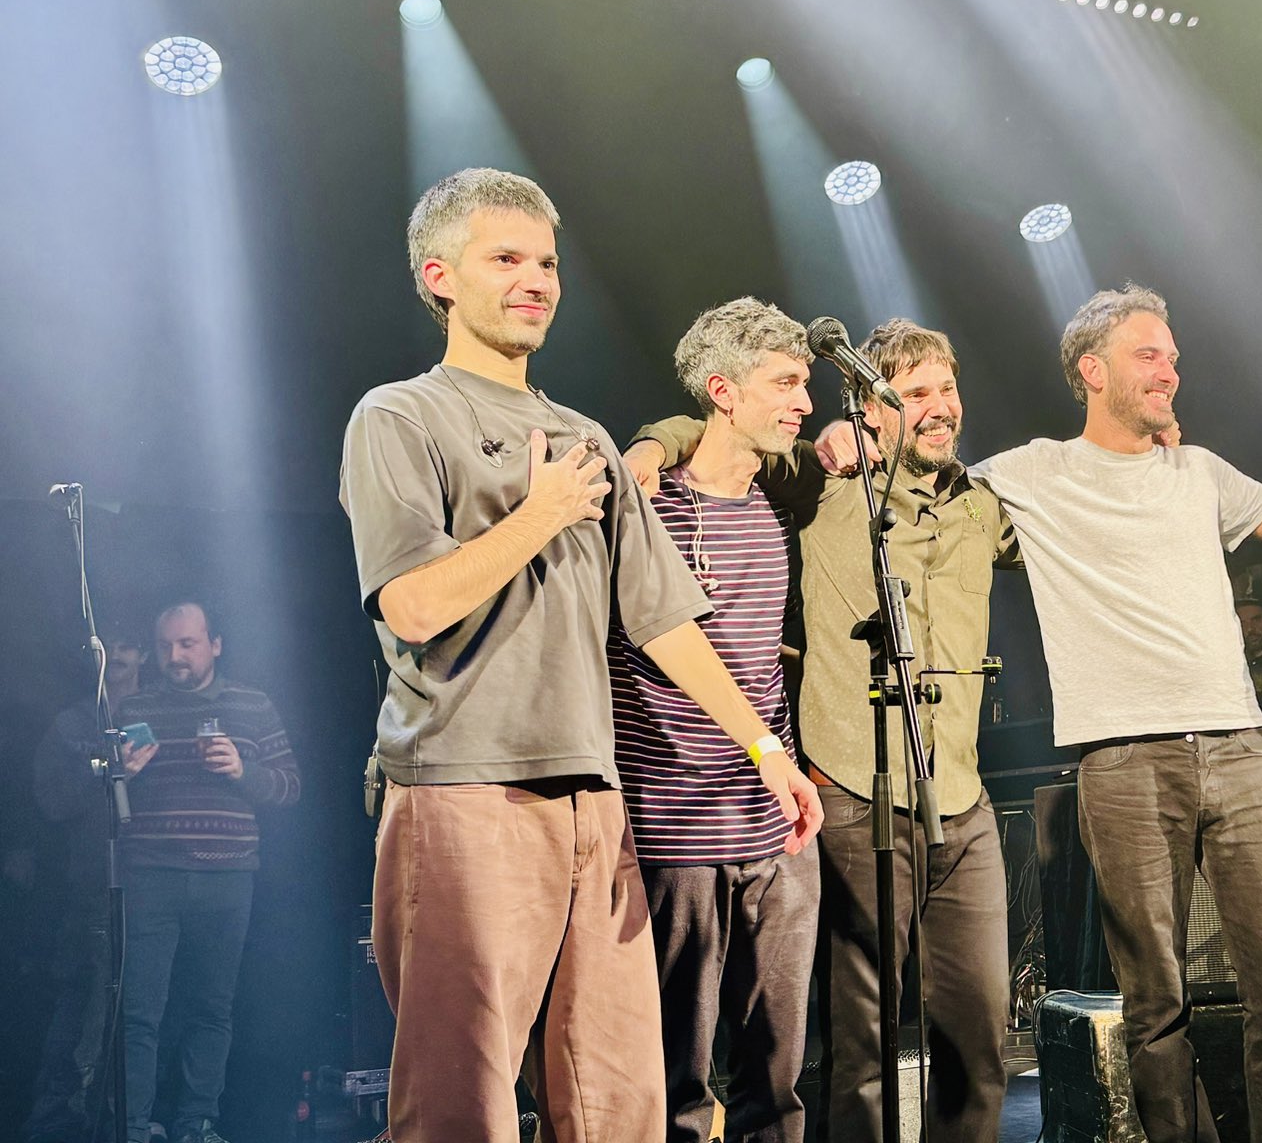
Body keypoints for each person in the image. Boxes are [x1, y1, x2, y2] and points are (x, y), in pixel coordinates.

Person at [338, 168, 819, 1143]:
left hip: (594, 810)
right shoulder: (399, 416)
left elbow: (664, 621)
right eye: (505, 258)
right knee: (460, 1110)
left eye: (547, 262)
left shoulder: (587, 437)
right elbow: (414, 605)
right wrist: (542, 514)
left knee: (620, 1105)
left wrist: (767, 753)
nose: (537, 279)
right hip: (462, 794)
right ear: (439, 276)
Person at [926, 284, 1262, 1143]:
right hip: (1124, 759)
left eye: (1172, 354)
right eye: (1149, 354)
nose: (1171, 369)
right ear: (1092, 371)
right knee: (1152, 1001)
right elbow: (922, 473)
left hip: (1241, 750)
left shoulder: (1198, 472)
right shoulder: (1032, 472)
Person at [626, 317, 1019, 1143]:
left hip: (953, 795)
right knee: (842, 1050)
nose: (940, 408)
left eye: (948, 389)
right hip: (833, 790)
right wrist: (654, 445)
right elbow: (717, 433)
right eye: (915, 394)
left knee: (977, 1042)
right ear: (871, 409)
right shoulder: (813, 485)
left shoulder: (983, 504)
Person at [608, 297, 822, 1143]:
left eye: (805, 382)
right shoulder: (649, 503)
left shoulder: (783, 492)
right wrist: (653, 446)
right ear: (723, 391)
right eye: (786, 383)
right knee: (675, 1086)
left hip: (776, 830)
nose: (804, 402)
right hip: (672, 827)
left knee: (777, 1085)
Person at [104, 601, 299, 1143]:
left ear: (214, 644)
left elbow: (291, 786)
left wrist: (244, 771)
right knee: (141, 1010)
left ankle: (198, 1124)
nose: (175, 656)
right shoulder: (134, 707)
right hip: (150, 876)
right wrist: (123, 773)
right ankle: (135, 1127)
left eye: (187, 644)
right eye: (166, 645)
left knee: (212, 1007)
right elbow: (99, 798)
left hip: (227, 877)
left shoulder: (252, 705)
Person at [25, 627, 148, 1143]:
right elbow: (49, 803)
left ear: (142, 652)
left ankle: (137, 1118)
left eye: (125, 642)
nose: (115, 653)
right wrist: (104, 774)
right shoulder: (72, 723)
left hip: (161, 885)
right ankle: (65, 1123)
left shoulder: (163, 714)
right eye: (105, 645)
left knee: (143, 1016)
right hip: (92, 885)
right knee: (86, 1011)